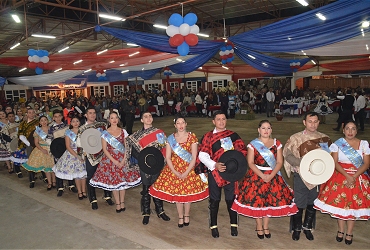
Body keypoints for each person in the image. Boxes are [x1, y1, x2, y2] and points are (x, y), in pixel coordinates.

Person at [232, 120, 298, 239]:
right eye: (263, 128)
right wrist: (262, 176)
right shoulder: (253, 144)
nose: (266, 130)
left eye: (268, 128)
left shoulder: (277, 143)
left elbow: (279, 162)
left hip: (273, 175)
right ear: (259, 130)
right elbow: (250, 163)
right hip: (256, 176)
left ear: (271, 130)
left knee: (269, 201)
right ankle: (258, 225)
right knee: (258, 201)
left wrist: (271, 175)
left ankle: (266, 226)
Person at [314, 120, 370, 245]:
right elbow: (335, 162)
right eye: (348, 129)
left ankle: (349, 232)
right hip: (340, 177)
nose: (350, 131)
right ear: (343, 130)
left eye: (353, 129)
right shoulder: (337, 144)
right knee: (339, 206)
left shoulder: (364, 144)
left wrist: (354, 176)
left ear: (357, 130)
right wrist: (347, 176)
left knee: (353, 208)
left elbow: (366, 163)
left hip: (358, 177)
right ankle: (340, 230)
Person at [149, 115, 208, 227]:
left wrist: (186, 172)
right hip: (174, 169)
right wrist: (175, 172)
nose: (180, 125)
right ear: (175, 125)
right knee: (177, 194)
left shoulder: (192, 137)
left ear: (186, 124)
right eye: (178, 123)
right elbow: (168, 157)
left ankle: (187, 215)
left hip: (189, 168)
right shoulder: (170, 138)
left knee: (188, 193)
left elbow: (194, 156)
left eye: (182, 123)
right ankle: (180, 216)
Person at [197, 111, 247, 238]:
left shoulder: (233, 135)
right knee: (215, 201)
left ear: (226, 120)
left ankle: (234, 225)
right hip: (215, 173)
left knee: (231, 199)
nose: (221, 121)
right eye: (218, 119)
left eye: (223, 119)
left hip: (231, 173)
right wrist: (214, 165)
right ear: (213, 121)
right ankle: (213, 226)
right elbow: (202, 155)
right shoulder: (208, 137)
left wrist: (237, 165)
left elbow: (242, 151)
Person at [283, 111, 332, 241]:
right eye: (310, 121)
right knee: (299, 203)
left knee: (312, 203)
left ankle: (307, 227)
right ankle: (297, 228)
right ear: (304, 122)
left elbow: (329, 158)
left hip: (317, 177)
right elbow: (287, 155)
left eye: (315, 121)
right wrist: (302, 163)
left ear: (319, 122)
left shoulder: (324, 139)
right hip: (300, 175)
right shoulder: (295, 138)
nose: (313, 124)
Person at [124, 111, 170, 225]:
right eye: (145, 117)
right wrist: (143, 159)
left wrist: (161, 162)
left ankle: (160, 210)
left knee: (157, 187)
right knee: (146, 189)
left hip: (157, 164)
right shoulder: (136, 135)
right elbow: (133, 150)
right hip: (144, 165)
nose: (148, 118)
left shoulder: (159, 133)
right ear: (141, 120)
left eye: (150, 116)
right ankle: (146, 212)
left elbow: (163, 148)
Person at [90, 111, 141, 212]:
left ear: (118, 119)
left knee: (122, 182)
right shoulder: (105, 133)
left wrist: (123, 160)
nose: (114, 120)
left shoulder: (123, 131)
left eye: (116, 118)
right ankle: (117, 203)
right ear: (109, 120)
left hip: (122, 159)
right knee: (114, 183)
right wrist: (114, 161)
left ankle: (122, 202)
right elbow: (104, 149)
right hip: (110, 160)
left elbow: (127, 147)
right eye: (112, 118)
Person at [77, 107, 113, 210]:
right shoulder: (82, 129)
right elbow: (79, 144)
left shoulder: (102, 125)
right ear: (85, 115)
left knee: (106, 176)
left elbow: (108, 138)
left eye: (94, 113)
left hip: (104, 155)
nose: (92, 115)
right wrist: (81, 155)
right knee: (91, 177)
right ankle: (93, 199)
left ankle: (107, 196)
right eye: (90, 113)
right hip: (90, 157)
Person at [53, 116, 87, 200]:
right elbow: (68, 146)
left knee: (83, 175)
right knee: (76, 175)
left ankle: (84, 191)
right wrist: (77, 156)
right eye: (73, 121)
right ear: (70, 123)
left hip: (83, 153)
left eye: (77, 121)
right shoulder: (68, 132)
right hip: (72, 154)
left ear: (80, 122)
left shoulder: (83, 131)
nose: (75, 123)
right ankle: (79, 192)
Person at [48, 109, 77, 195]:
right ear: (53, 118)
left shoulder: (67, 126)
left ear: (62, 116)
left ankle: (71, 185)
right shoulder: (51, 128)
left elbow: (72, 138)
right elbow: (49, 139)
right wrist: (53, 148)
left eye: (59, 116)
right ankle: (60, 187)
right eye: (55, 117)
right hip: (57, 150)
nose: (58, 118)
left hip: (67, 149)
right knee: (59, 168)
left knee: (68, 167)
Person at [22, 116, 55, 189]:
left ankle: (54, 182)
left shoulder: (52, 129)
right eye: (42, 120)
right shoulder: (38, 131)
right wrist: (42, 149)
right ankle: (49, 182)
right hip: (42, 149)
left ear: (47, 121)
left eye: (45, 120)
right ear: (39, 122)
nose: (44, 122)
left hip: (52, 149)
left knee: (53, 167)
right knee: (46, 167)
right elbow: (36, 143)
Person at [10, 108, 39, 178]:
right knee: (18, 157)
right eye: (29, 112)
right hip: (23, 143)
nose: (31, 114)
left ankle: (33, 174)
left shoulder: (37, 122)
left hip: (34, 143)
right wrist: (26, 142)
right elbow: (20, 133)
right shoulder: (22, 123)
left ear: (35, 114)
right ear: (27, 114)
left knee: (32, 159)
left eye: (33, 112)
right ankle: (18, 170)